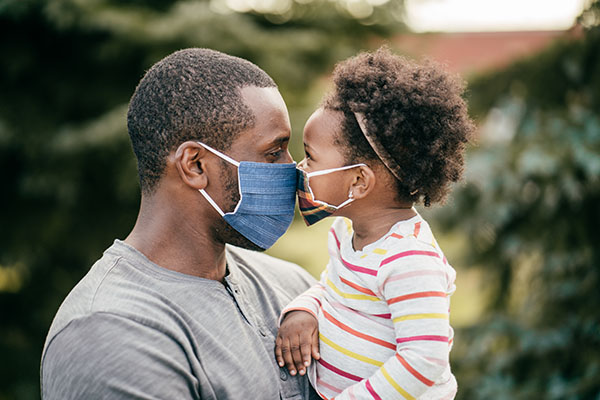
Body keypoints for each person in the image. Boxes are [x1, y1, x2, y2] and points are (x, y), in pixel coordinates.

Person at [41, 48, 320, 399]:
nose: (293, 170)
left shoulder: (294, 287)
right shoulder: (110, 331)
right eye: (273, 153)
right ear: (195, 165)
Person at [275, 48, 475, 399]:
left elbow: (423, 361)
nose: (301, 169)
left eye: (310, 156)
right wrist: (305, 309)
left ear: (358, 182)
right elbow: (334, 289)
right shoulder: (347, 236)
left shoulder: (409, 260)